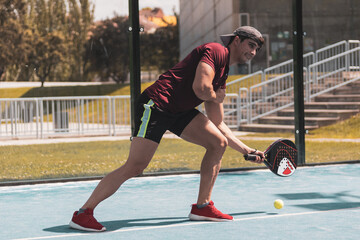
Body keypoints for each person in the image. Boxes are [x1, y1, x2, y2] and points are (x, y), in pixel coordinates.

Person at [69, 26, 265, 232]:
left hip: (179, 111)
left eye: (256, 49)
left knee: (218, 143)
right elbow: (201, 89)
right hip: (156, 104)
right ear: (236, 41)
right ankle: (83, 213)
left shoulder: (223, 72)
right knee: (136, 166)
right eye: (250, 45)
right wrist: (217, 96)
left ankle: (202, 206)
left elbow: (218, 122)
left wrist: (247, 150)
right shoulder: (216, 50)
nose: (252, 52)